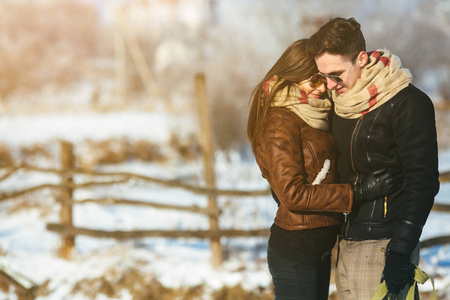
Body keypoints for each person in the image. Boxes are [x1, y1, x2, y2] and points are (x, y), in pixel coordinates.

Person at [247, 39, 399, 300]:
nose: (323, 87)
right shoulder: (280, 119)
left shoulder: (313, 113)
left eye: (325, 78)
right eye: (313, 80)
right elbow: (292, 194)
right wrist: (357, 192)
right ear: (292, 78)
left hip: (319, 247)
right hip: (295, 250)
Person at [307, 17, 440, 300]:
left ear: (362, 59)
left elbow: (423, 181)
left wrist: (400, 251)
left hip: (385, 243)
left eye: (336, 74)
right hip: (347, 242)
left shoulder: (407, 103)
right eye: (323, 76)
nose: (330, 85)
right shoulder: (340, 106)